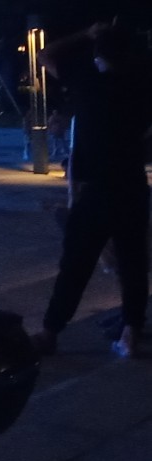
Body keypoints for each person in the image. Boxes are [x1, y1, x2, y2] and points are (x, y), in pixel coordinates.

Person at [32, 22, 152, 359]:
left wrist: (85, 33)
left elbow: (45, 55)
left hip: (96, 191)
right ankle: (130, 332)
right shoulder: (142, 86)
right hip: (132, 187)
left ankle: (50, 332)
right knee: (133, 264)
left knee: (75, 265)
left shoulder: (87, 82)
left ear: (97, 55)